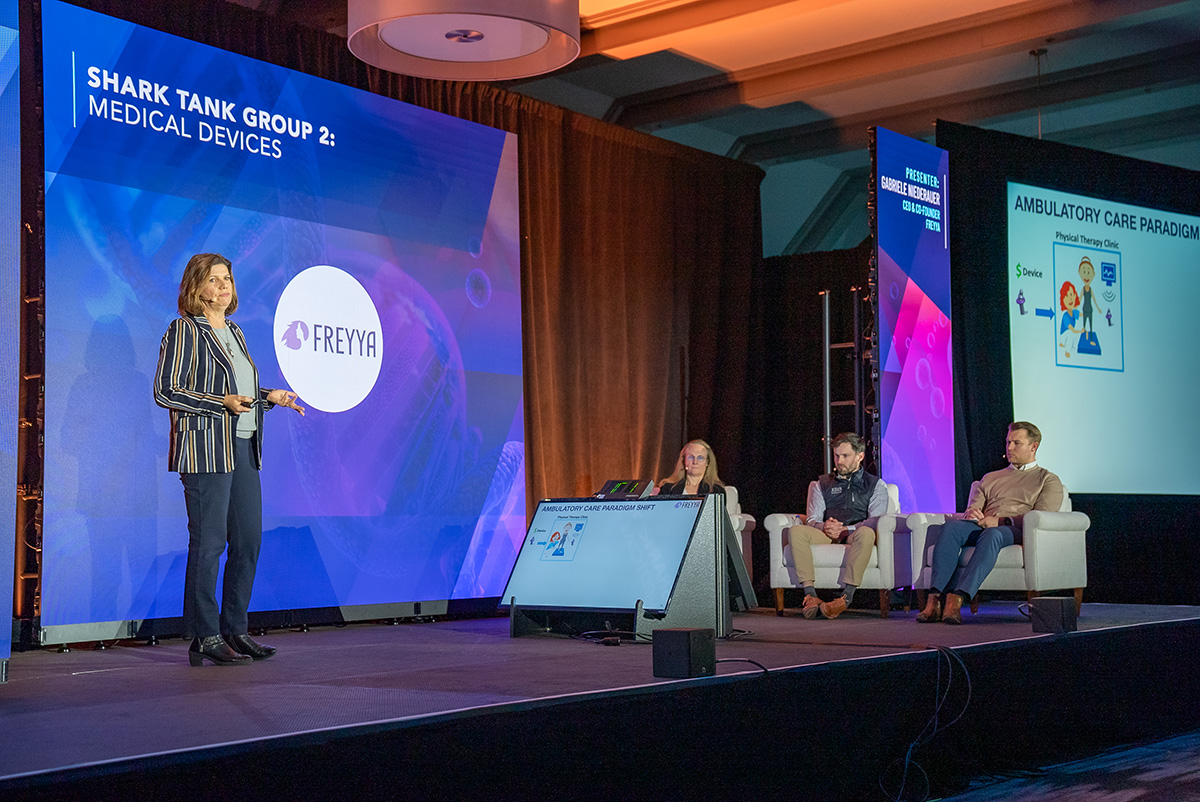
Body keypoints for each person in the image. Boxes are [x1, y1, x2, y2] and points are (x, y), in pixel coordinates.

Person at [153, 253, 306, 666]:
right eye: (214, 279)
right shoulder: (185, 330)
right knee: (209, 544)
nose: (224, 285)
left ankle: (235, 629)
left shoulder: (235, 331)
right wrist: (219, 402)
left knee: (249, 540)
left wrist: (269, 396)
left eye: (228, 278)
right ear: (196, 287)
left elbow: (240, 393)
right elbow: (166, 391)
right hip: (206, 449)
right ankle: (204, 634)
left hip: (242, 447)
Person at [917, 421, 1063, 625]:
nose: (1010, 447)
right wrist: (972, 513)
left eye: (1017, 443)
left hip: (1015, 529)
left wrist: (1001, 520)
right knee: (951, 528)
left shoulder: (1047, 479)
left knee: (993, 534)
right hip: (984, 524)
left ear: (1034, 446)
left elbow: (1043, 516)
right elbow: (974, 506)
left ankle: (957, 598)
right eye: (1008, 442)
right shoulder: (991, 477)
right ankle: (934, 599)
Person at [788, 433, 888, 620]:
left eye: (845, 456)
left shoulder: (876, 485)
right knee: (796, 531)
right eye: (836, 455)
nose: (839, 461)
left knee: (867, 533)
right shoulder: (821, 484)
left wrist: (845, 530)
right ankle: (810, 595)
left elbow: (876, 520)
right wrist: (824, 526)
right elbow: (812, 519)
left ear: (860, 456)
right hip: (828, 533)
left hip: (853, 532)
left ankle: (845, 598)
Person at [657, 439, 725, 496]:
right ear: (683, 460)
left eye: (700, 458)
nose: (695, 462)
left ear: (707, 462)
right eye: (690, 457)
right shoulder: (668, 488)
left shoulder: (717, 491)